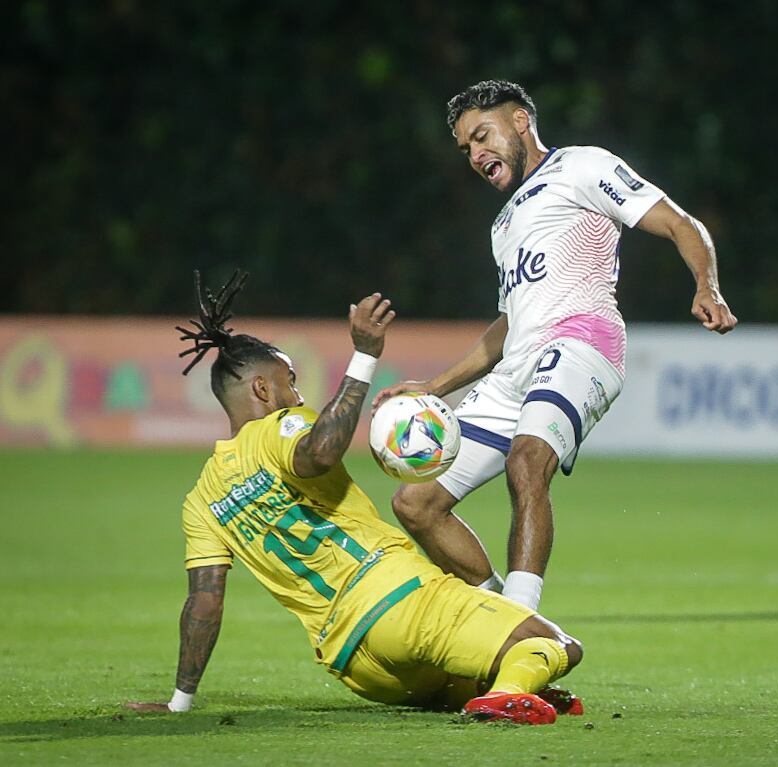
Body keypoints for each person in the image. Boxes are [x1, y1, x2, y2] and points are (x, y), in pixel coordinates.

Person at [126, 271, 584, 724]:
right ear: (262, 389)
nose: (297, 392)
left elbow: (204, 603)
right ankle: (511, 687)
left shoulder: (203, 498)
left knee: (472, 674)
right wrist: (365, 356)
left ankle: (506, 685)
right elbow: (320, 453)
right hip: (402, 603)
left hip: (359, 667)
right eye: (290, 380)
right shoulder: (281, 429)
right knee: (556, 645)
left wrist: (179, 701)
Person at [374, 80, 738, 611]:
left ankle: (523, 623)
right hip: (518, 366)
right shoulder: (502, 225)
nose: (476, 155)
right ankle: (499, 617)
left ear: (520, 121)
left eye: (482, 136)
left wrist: (707, 285)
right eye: (466, 149)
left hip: (583, 341)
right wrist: (435, 387)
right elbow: (509, 324)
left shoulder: (581, 167)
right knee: (416, 503)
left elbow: (681, 223)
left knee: (528, 460)